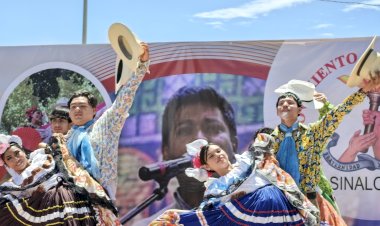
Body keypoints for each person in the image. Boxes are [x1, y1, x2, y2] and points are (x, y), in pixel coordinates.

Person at [149, 133, 321, 225]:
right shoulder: (214, 189)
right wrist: (177, 216)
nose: (218, 155)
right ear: (207, 167)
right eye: (211, 156)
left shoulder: (247, 159)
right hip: (252, 219)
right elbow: (209, 216)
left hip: (282, 211)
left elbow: (267, 139)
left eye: (218, 150)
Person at [132, 86, 238, 226]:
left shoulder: (264, 210)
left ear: (234, 144)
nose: (199, 139)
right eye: (184, 130)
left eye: (213, 128)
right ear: (166, 153)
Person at [271, 78, 373, 218]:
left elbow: (338, 113)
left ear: (300, 109)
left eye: (290, 102)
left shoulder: (313, 133)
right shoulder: (269, 139)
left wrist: (362, 92)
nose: (285, 105)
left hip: (310, 201)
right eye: (281, 103)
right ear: (277, 111)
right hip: (279, 202)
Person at [66, 42, 149, 201]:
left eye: (82, 106)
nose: (77, 110)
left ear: (94, 110)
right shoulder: (66, 139)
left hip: (101, 196)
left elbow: (125, 97)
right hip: (71, 199)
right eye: (73, 107)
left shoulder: (105, 124)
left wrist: (142, 65)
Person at [0, 133, 120, 225]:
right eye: (9, 158)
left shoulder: (41, 157)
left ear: (23, 152)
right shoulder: (14, 185)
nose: (16, 159)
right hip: (44, 211)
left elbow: (63, 157)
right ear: (6, 164)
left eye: (17, 153)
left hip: (69, 198)